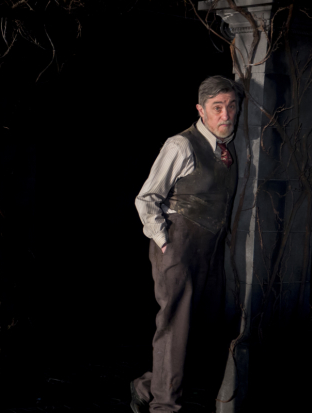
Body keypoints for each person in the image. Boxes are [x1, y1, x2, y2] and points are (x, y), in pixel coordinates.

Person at [131, 75, 243, 413]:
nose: (226, 114)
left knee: (201, 328)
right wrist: (166, 243)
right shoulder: (181, 144)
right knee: (175, 325)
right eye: (217, 108)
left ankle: (146, 386)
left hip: (211, 247)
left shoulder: (231, 146)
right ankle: (165, 406)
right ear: (201, 110)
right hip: (179, 243)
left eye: (232, 106)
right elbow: (146, 198)